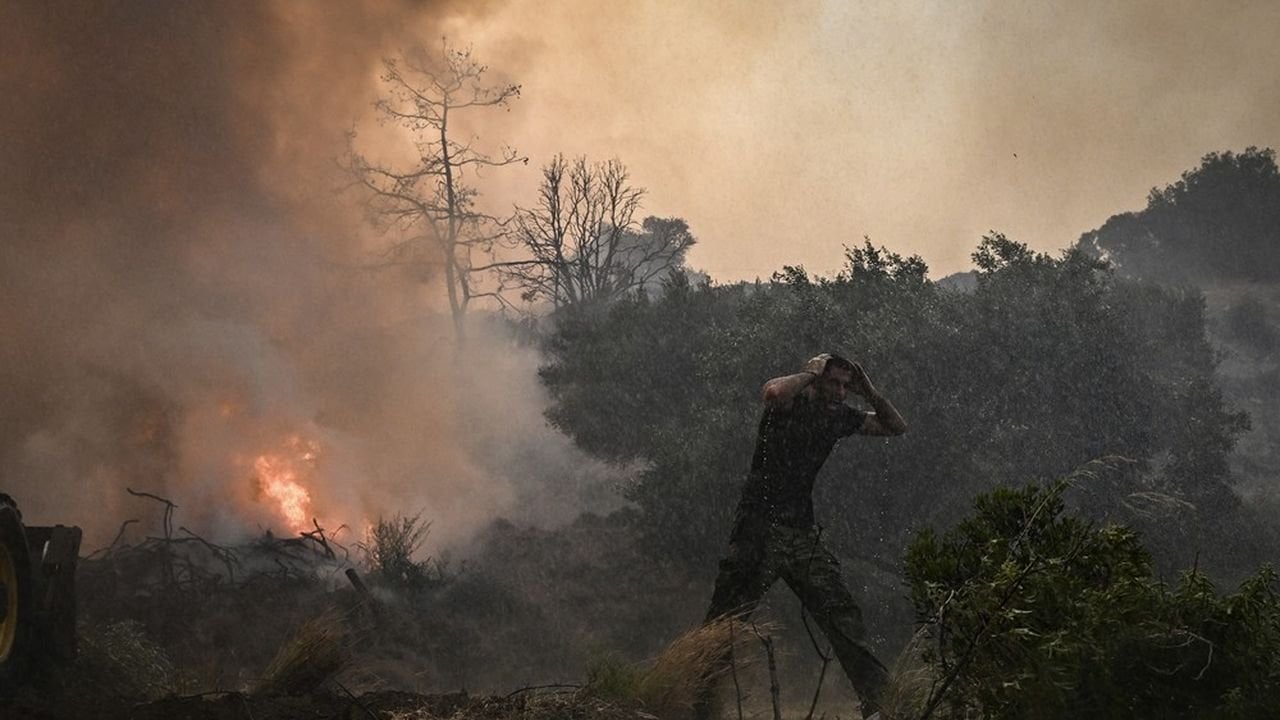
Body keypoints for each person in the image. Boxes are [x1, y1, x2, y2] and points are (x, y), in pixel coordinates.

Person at [700, 352, 907, 718]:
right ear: (817, 380)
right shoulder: (789, 405)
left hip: (801, 533)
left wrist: (871, 392)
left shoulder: (839, 417)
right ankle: (695, 701)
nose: (842, 392)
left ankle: (881, 703)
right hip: (759, 530)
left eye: (847, 385)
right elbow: (773, 393)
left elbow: (895, 427)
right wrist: (811, 374)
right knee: (726, 623)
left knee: (842, 615)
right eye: (835, 383)